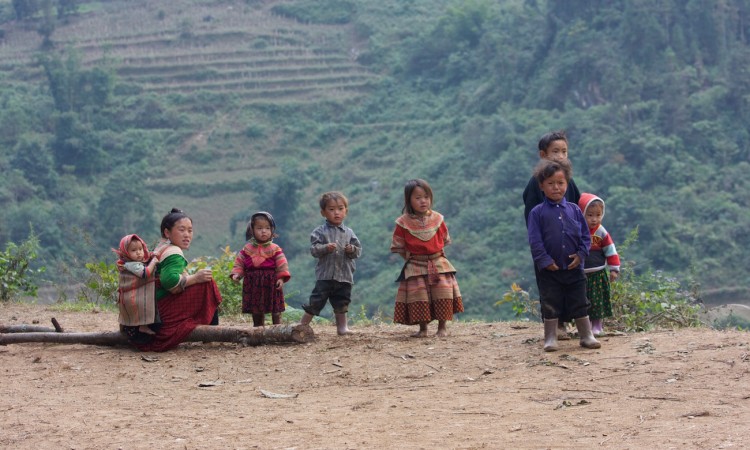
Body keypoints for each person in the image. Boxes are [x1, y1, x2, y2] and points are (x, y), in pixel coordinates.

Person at [527, 159, 600, 351]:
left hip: (574, 268)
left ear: (567, 185)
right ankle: (550, 338)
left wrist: (580, 255)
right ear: (542, 186)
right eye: (550, 183)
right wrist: (544, 260)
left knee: (580, 300)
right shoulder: (537, 213)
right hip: (550, 269)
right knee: (551, 301)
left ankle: (586, 335)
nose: (556, 188)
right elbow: (535, 240)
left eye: (560, 183)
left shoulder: (575, 210)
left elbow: (585, 236)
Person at [133, 208, 222, 352]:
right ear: (167, 233)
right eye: (182, 230)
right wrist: (195, 278)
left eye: (190, 230)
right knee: (207, 282)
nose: (187, 235)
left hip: (150, 310)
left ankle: (209, 331)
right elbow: (169, 282)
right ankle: (210, 333)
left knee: (204, 280)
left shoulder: (162, 247)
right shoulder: (173, 252)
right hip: (161, 313)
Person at [523, 130, 581, 340]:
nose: (560, 156)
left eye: (564, 151)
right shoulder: (536, 184)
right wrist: (541, 253)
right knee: (550, 287)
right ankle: (554, 326)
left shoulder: (568, 181)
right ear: (543, 155)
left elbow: (577, 211)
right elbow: (532, 219)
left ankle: (569, 324)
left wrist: (581, 246)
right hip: (547, 246)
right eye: (555, 151)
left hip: (569, 245)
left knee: (572, 284)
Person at [391, 179, 464, 338]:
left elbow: (444, 241)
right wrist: (411, 259)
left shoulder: (438, 219)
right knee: (419, 296)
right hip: (415, 264)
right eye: (417, 198)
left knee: (442, 293)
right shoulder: (402, 222)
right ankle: (423, 329)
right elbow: (399, 247)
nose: (423, 201)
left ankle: (442, 328)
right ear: (409, 200)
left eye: (426, 196)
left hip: (438, 262)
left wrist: (436, 257)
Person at [299, 192, 362, 335]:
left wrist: (351, 249)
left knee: (342, 302)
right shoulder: (319, 232)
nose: (336, 213)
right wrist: (325, 248)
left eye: (340, 208)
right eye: (331, 209)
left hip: (344, 275)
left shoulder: (350, 233)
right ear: (323, 213)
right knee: (316, 300)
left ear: (346, 211)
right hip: (325, 276)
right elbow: (314, 250)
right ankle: (302, 325)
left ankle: (342, 328)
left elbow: (358, 251)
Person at [230, 211, 290, 327]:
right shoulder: (247, 249)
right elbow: (240, 263)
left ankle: (277, 330)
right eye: (259, 228)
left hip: (271, 282)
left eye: (267, 228)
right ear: (252, 230)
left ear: (272, 230)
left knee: (275, 309)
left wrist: (281, 278)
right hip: (253, 283)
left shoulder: (275, 248)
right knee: (256, 309)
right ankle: (258, 330)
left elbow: (282, 264)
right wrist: (236, 274)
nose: (264, 231)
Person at [578, 193, 620, 336]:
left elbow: (610, 250)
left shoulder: (601, 232)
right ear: (581, 213)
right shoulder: (577, 231)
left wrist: (614, 269)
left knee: (598, 301)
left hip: (598, 273)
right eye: (589, 215)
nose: (594, 219)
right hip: (581, 273)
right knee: (583, 301)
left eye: (598, 215)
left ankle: (597, 326)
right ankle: (585, 326)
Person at [113, 234, 159, 342]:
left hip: (128, 297)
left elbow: (146, 259)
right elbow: (145, 273)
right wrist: (154, 261)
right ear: (125, 253)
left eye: (140, 249)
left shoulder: (131, 262)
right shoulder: (131, 264)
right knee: (141, 309)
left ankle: (129, 327)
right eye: (134, 250)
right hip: (133, 296)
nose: (138, 252)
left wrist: (152, 255)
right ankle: (143, 327)